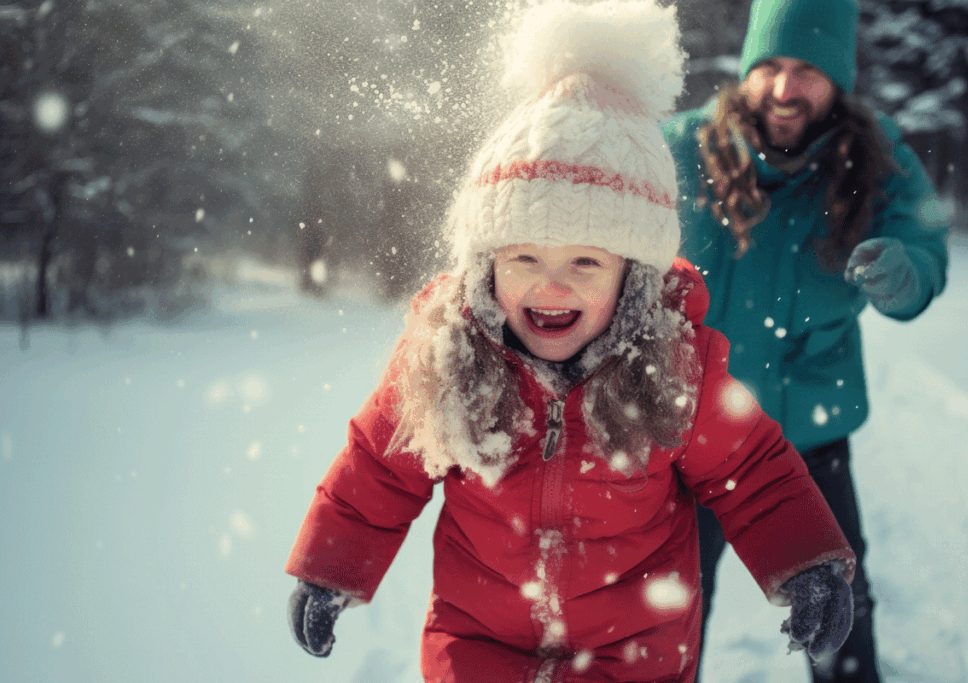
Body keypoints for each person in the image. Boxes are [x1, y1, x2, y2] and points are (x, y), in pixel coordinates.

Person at [285, 2, 859, 681]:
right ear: (485, 263)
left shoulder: (674, 366)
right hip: (478, 640)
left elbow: (753, 472)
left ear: (633, 276)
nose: (549, 286)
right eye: (523, 259)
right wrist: (330, 567)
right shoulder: (448, 357)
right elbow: (380, 465)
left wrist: (807, 564)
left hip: (633, 645)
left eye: (584, 263)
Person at [661, 0, 951, 681]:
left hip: (809, 438)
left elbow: (925, 242)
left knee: (839, 613)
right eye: (771, 67)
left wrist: (905, 272)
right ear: (747, 69)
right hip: (687, 437)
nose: (785, 90)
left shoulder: (878, 160)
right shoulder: (677, 148)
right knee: (668, 614)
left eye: (808, 71)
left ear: (839, 79)